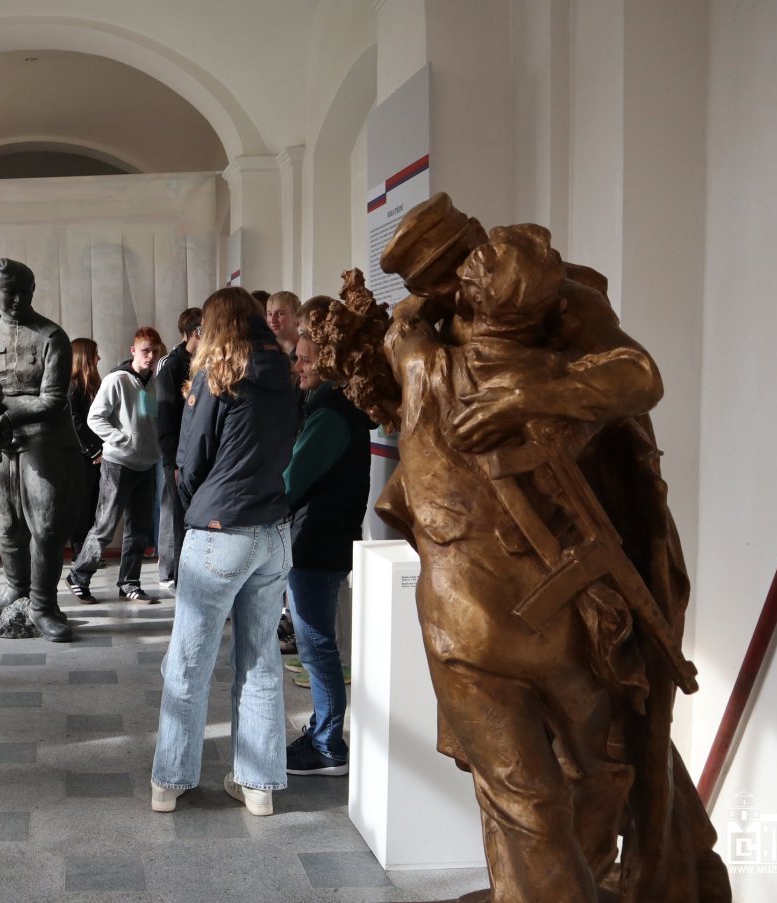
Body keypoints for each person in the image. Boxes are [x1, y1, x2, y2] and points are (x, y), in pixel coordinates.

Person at [350, 193, 729, 900]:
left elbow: (639, 375)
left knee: (612, 752)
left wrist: (534, 394)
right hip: (498, 572)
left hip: (582, 551)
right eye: (437, 284)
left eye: (453, 273)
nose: (451, 292)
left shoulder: (562, 299)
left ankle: (625, 872)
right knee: (538, 772)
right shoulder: (440, 329)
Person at [150, 287, 299, 818]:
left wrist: (199, 506)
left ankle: (170, 783)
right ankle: (258, 788)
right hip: (273, 531)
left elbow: (190, 462)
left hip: (219, 530)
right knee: (261, 660)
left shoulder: (216, 377)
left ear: (215, 326)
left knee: (189, 662)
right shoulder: (286, 375)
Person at [282, 305, 372, 778]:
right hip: (323, 539)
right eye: (298, 357)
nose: (298, 366)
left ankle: (328, 746)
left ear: (330, 364)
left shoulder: (331, 416)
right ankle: (323, 731)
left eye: (306, 359)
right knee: (316, 646)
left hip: (317, 542)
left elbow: (292, 481)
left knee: (317, 648)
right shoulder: (332, 409)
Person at [0, 258, 80, 642]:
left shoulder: (51, 337)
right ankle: (15, 590)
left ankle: (43, 604)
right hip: (0, 444)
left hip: (44, 441)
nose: (17, 299)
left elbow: (52, 399)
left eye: (24, 291)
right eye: (9, 292)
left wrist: (8, 415)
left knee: (46, 527)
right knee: (7, 526)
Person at [65, 326, 165, 603]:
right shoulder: (116, 380)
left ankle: (129, 582)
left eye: (155, 352)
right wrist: (121, 439)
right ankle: (79, 575)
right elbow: (94, 418)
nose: (150, 356)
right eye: (145, 351)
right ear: (133, 350)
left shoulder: (155, 382)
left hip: (147, 464)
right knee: (105, 526)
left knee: (139, 529)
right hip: (119, 463)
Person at [154, 307, 201, 590]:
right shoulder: (172, 366)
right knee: (179, 519)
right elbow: (166, 418)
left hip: (196, 453)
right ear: (197, 332)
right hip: (179, 457)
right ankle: (180, 579)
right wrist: (171, 461)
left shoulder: (203, 362)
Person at [65, 338, 104, 557]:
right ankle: (80, 550)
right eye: (95, 354)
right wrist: (93, 450)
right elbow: (75, 423)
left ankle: (87, 550)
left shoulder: (91, 386)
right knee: (82, 503)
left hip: (94, 454)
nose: (99, 358)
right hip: (82, 457)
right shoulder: (73, 386)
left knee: (93, 503)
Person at [265, 290, 301, 357]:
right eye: (270, 314)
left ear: (296, 317)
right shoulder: (266, 351)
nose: (272, 320)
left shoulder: (308, 352)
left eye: (280, 314)